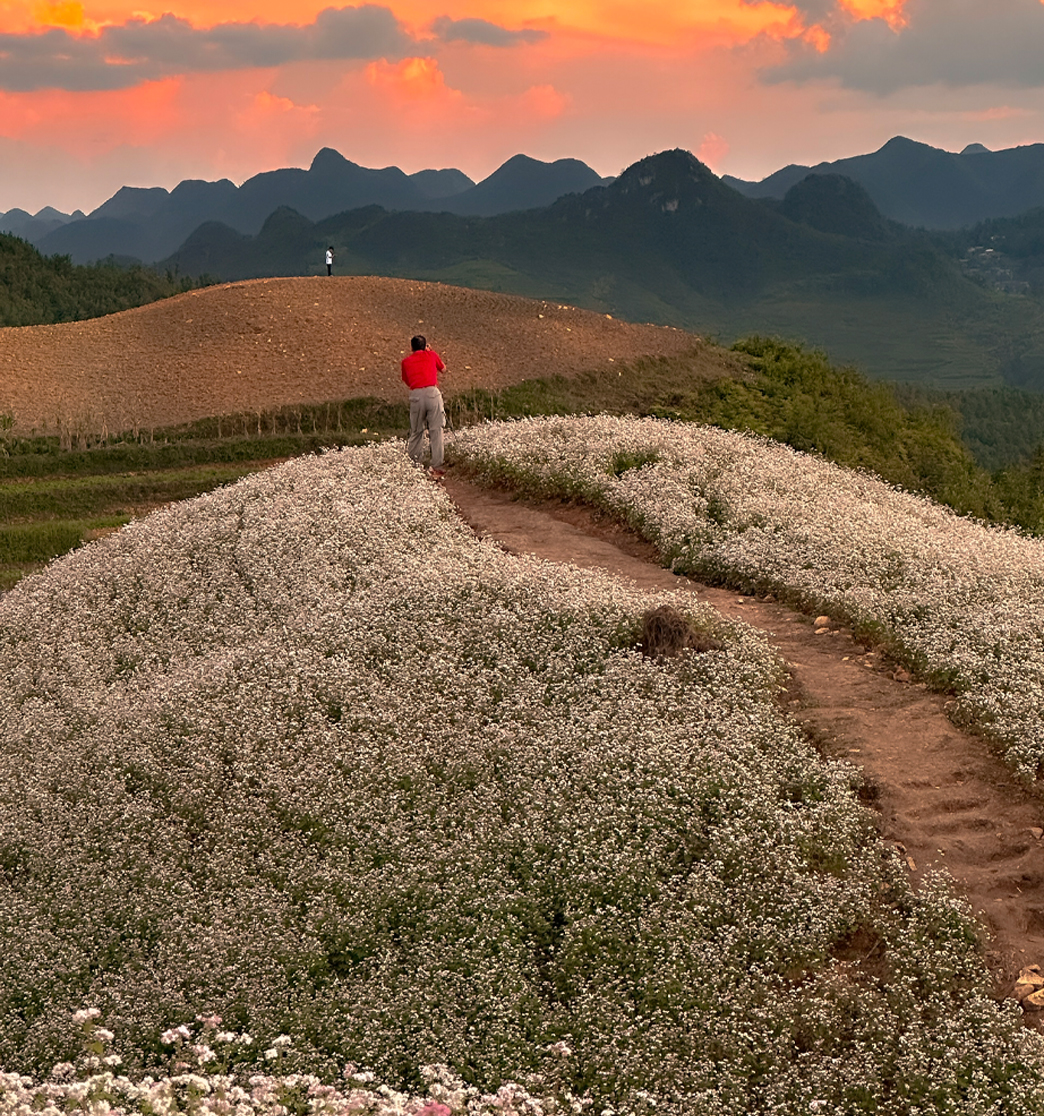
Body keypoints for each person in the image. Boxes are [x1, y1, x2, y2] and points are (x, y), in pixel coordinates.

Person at [401, 334, 446, 476]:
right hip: (433, 393)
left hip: (415, 395)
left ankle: (414, 464)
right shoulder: (431, 355)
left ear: (411, 347)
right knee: (436, 429)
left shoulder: (406, 362)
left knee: (416, 431)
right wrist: (429, 351)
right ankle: (437, 465)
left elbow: (406, 380)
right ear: (426, 345)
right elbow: (443, 369)